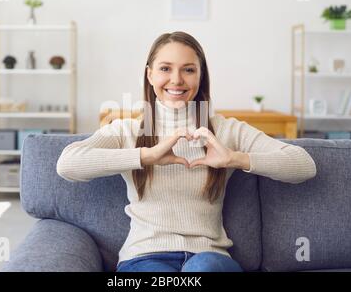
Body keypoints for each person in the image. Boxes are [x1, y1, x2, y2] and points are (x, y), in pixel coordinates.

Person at [56, 31, 317, 272]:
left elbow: (303, 165)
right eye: (165, 69)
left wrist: (233, 158)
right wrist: (147, 155)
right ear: (149, 75)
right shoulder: (126, 130)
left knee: (201, 269)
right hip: (144, 258)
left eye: (188, 70)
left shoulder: (226, 131)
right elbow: (67, 164)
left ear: (200, 75)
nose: (177, 80)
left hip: (209, 258)